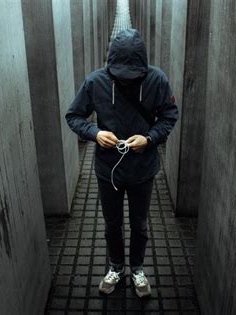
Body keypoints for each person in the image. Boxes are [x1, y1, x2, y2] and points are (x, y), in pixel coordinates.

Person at [65, 29, 179, 298]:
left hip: (143, 168)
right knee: (112, 224)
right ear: (111, 64)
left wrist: (149, 139)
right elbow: (73, 116)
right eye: (120, 75)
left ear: (143, 65)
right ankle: (116, 266)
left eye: (133, 75)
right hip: (109, 170)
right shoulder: (95, 82)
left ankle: (137, 268)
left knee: (139, 224)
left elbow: (169, 116)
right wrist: (95, 133)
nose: (126, 80)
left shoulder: (157, 79)